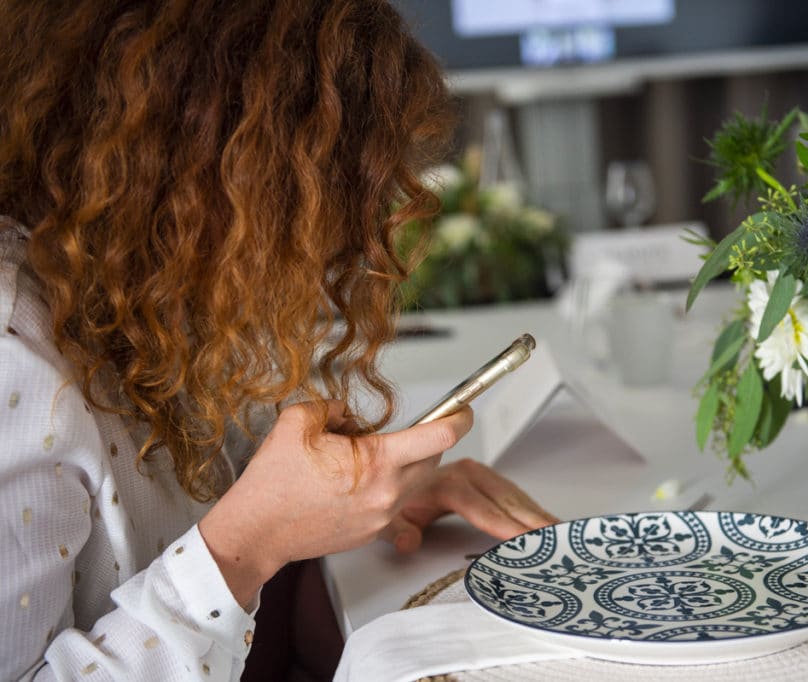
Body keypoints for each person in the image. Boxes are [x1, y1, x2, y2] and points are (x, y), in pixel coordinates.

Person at [0, 1, 557, 680]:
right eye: (309, 193)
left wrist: (342, 500)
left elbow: (183, 481)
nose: (334, 242)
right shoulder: (13, 355)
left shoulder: (130, 286)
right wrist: (250, 544)